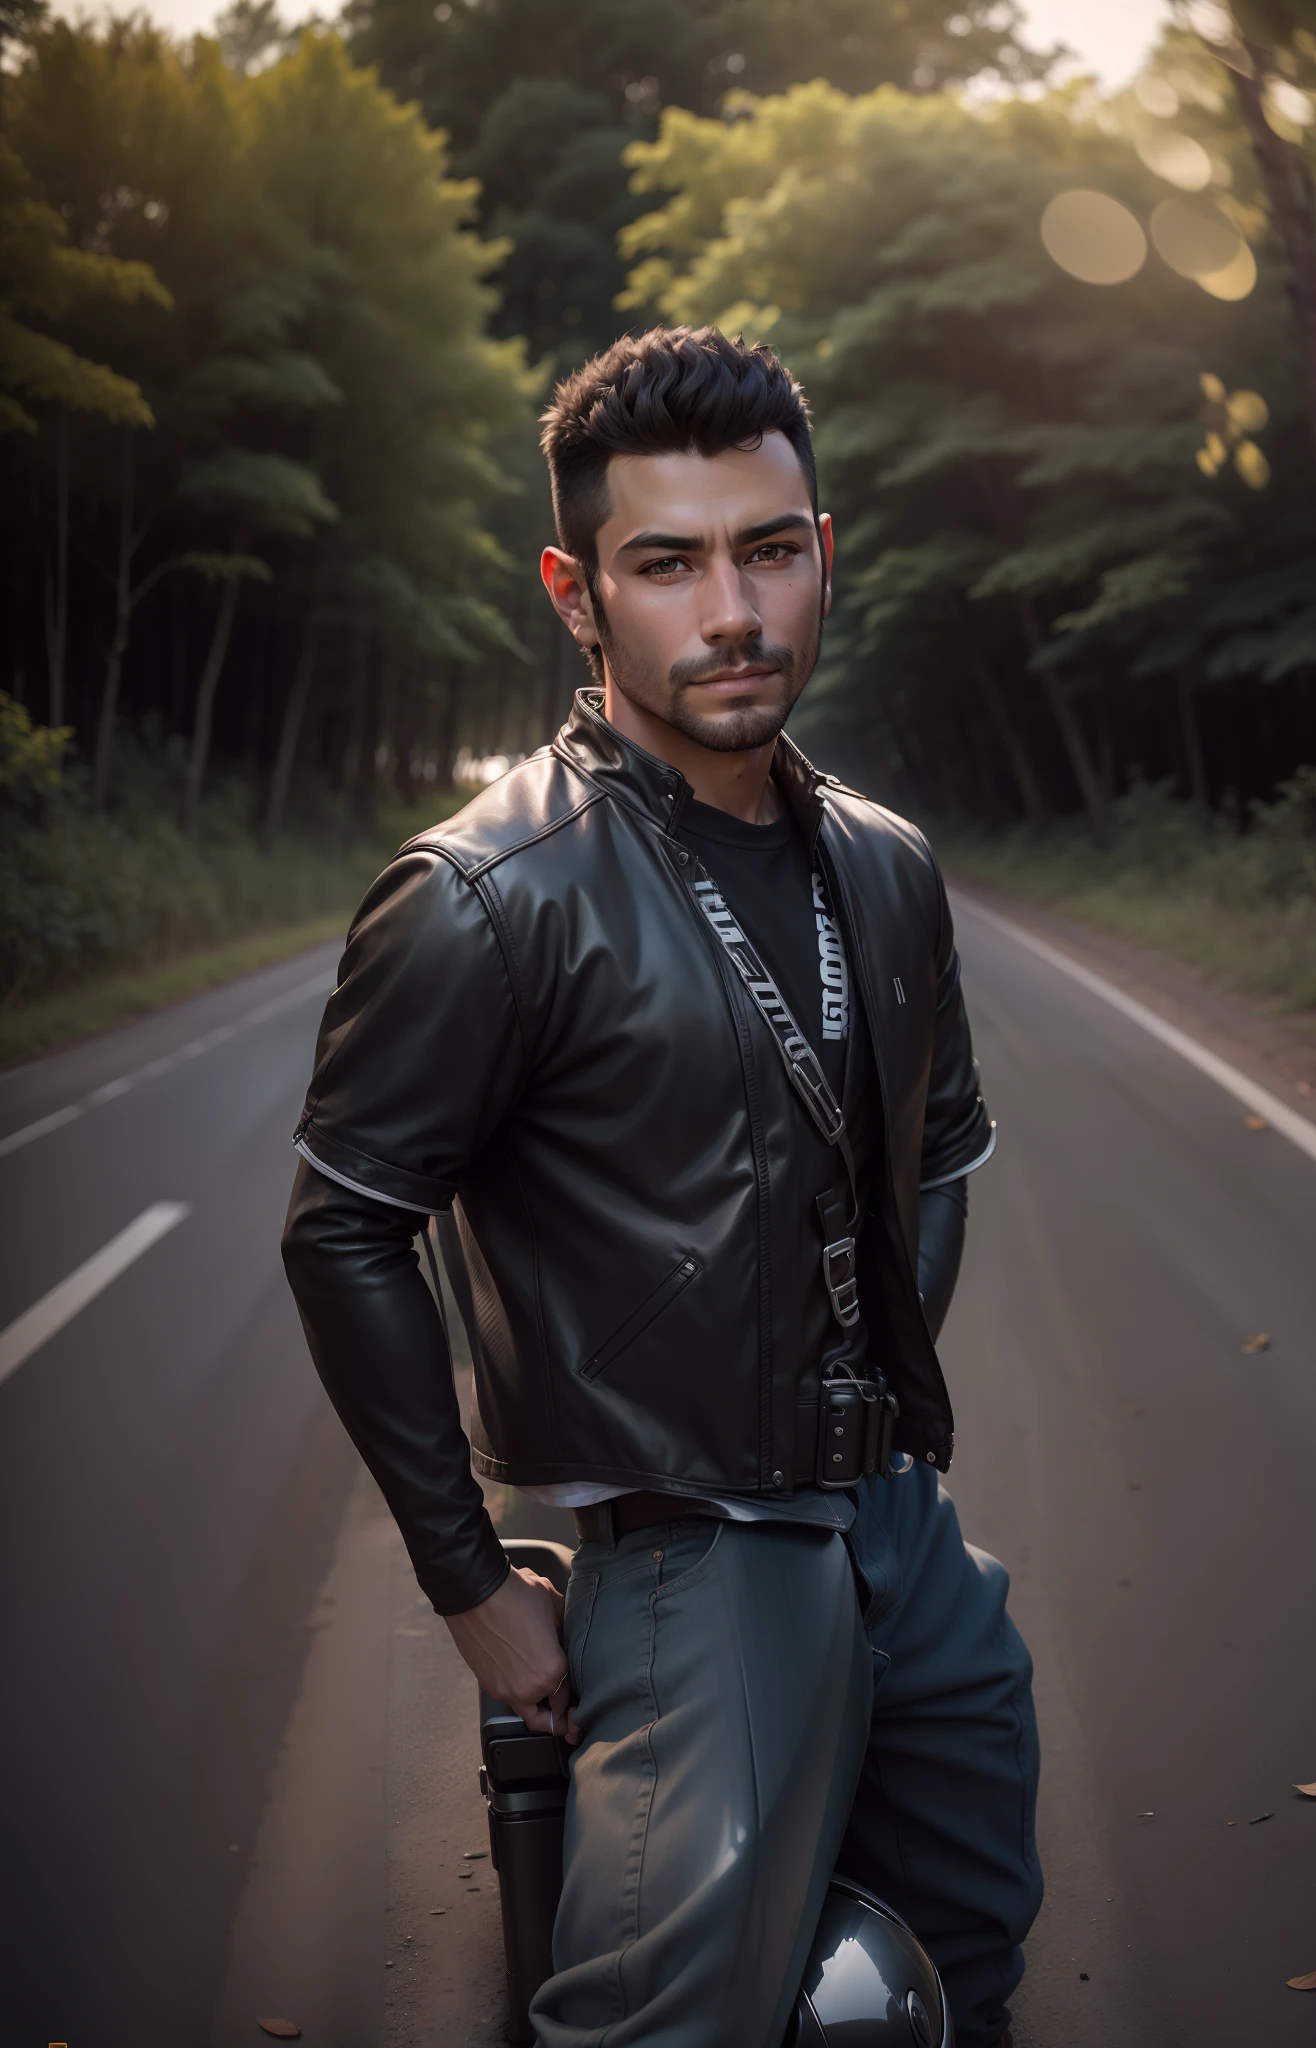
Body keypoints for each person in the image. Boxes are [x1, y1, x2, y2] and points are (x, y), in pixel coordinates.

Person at [282, 326, 1042, 2048]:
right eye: (669, 563)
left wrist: (862, 1406)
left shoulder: (888, 865)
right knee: (666, 2024)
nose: (734, 614)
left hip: (889, 1525)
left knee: (961, 1962)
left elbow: (936, 1162)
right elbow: (342, 1227)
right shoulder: (487, 896)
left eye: (770, 551)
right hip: (692, 1544)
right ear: (578, 590)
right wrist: (471, 1580)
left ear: (822, 551)